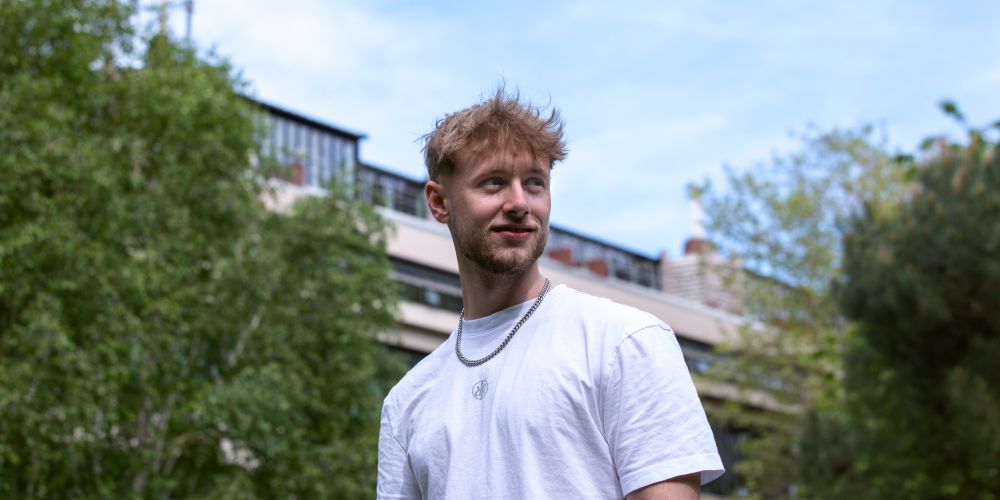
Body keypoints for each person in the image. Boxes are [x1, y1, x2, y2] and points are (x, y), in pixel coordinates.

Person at [377, 87, 724, 499]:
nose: (520, 203)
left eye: (535, 183)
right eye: (493, 183)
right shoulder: (407, 402)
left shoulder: (625, 342)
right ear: (439, 202)